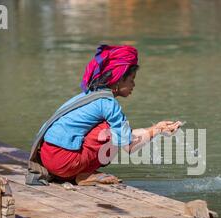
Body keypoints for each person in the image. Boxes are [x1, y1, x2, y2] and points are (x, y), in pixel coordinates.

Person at [38, 44, 182, 185]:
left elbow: (126, 136)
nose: (134, 85)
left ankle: (76, 172)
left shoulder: (88, 95)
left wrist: (157, 128)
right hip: (64, 161)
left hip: (47, 156)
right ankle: (83, 174)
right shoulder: (109, 104)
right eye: (132, 80)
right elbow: (129, 145)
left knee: (112, 130)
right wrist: (156, 131)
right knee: (107, 129)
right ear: (119, 80)